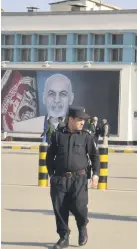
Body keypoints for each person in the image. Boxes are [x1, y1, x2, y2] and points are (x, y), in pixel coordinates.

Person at [46, 106, 100, 248]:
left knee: (79, 207)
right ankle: (64, 237)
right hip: (59, 179)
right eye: (79, 119)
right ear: (70, 119)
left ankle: (82, 227)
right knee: (60, 208)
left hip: (79, 179)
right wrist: (51, 174)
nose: (83, 122)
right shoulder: (57, 135)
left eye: (84, 120)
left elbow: (94, 157)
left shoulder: (86, 136)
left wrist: (96, 174)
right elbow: (50, 156)